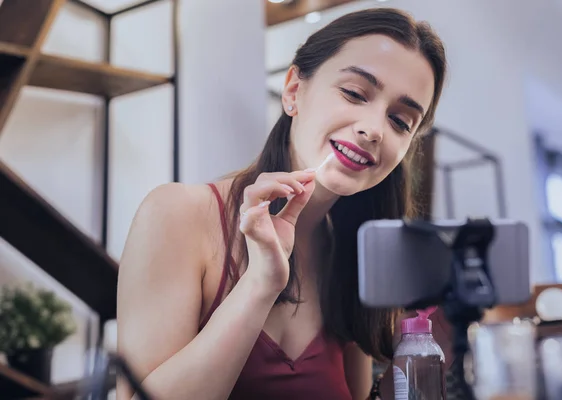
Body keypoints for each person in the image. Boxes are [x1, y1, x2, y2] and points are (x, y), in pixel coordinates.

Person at [116, 7, 450, 400]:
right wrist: (261, 284)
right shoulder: (176, 213)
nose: (374, 129)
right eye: (355, 93)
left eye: (400, 121)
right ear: (294, 90)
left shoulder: (351, 254)